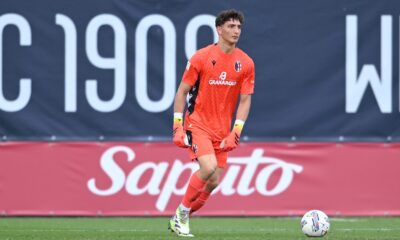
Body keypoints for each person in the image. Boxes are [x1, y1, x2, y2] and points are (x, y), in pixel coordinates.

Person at [169, 9, 255, 237]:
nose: (236, 31)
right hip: (197, 124)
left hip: (222, 130)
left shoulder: (245, 63)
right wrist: (178, 125)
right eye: (231, 27)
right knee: (207, 168)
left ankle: (180, 215)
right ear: (219, 29)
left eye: (238, 27)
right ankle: (181, 214)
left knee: (213, 181)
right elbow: (182, 92)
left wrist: (236, 131)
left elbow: (245, 100)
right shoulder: (201, 57)